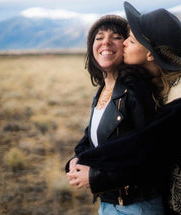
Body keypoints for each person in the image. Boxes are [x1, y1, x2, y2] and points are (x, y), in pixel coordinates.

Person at [70, 2, 181, 215]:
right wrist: (79, 157)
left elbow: (149, 143)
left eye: (130, 39)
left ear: (149, 53)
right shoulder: (156, 81)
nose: (125, 44)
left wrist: (92, 167)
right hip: (174, 200)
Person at [66, 14, 166, 215]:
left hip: (137, 206)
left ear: (127, 46)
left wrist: (95, 177)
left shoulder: (136, 90)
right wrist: (77, 158)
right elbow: (96, 138)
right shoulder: (104, 89)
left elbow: (151, 155)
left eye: (116, 37)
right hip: (110, 203)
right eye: (99, 37)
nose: (106, 42)